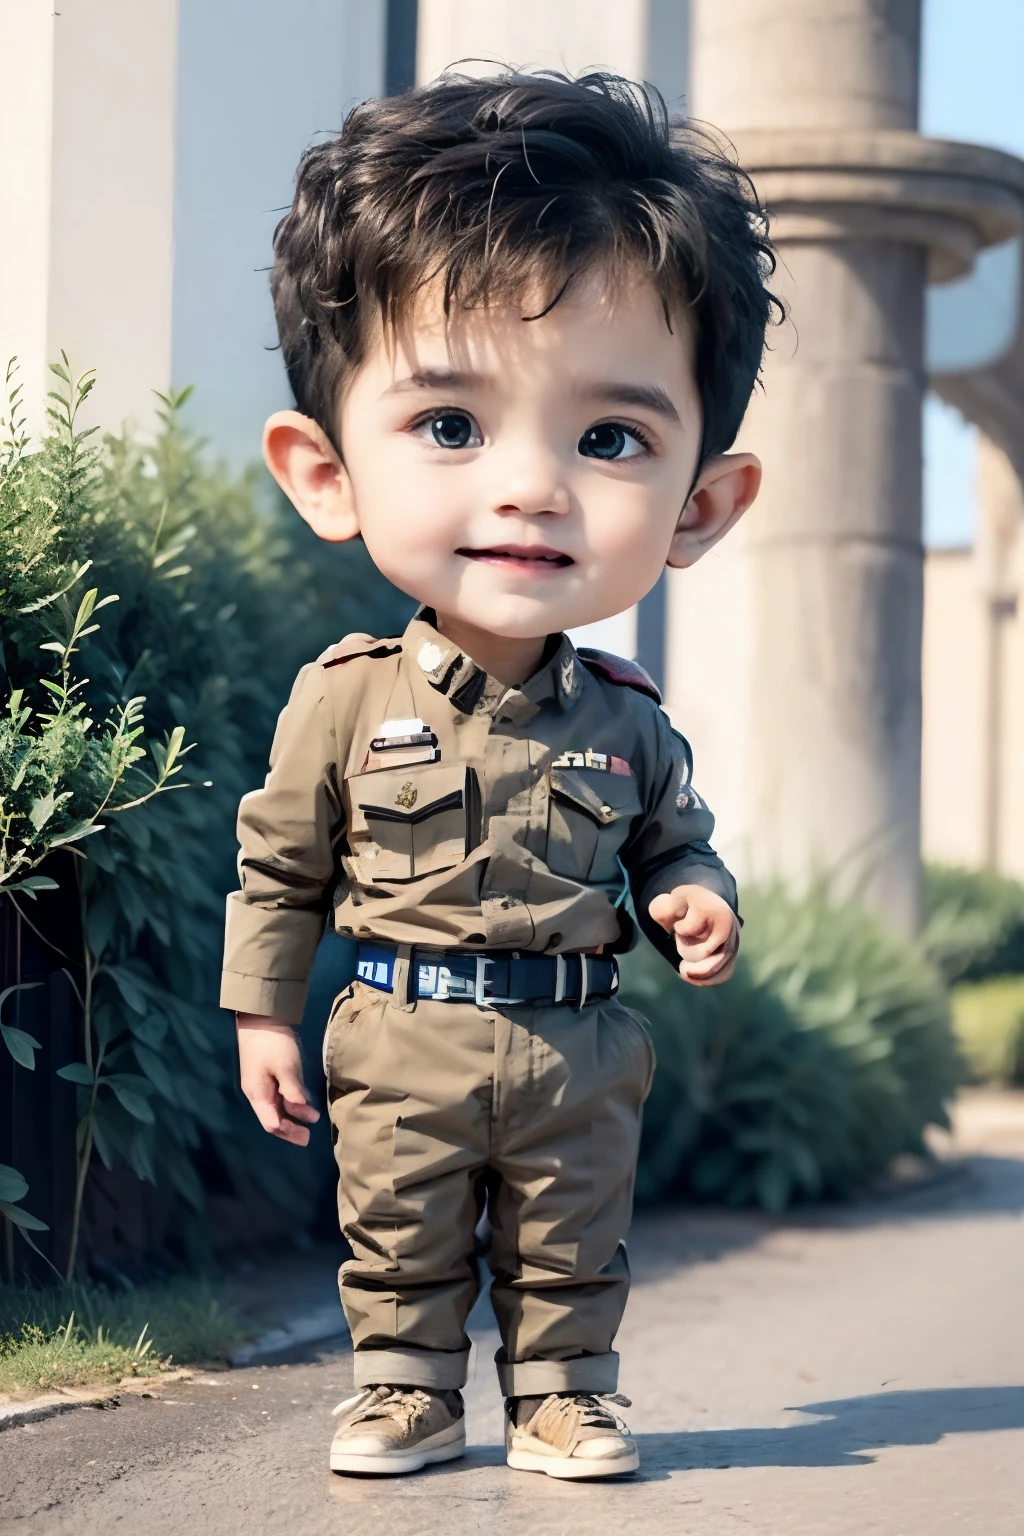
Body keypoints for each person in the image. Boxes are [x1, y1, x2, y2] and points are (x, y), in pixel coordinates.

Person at [221, 69, 777, 1481]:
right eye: (451, 425)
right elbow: (281, 866)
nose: (532, 486)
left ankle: (563, 1396)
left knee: (571, 1227)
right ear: (325, 470)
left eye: (610, 439)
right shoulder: (343, 705)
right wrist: (263, 1020)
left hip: (575, 1041)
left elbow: (672, 842)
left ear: (700, 503)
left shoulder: (631, 720)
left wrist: (695, 898)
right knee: (395, 1219)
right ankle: (404, 1390)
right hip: (401, 1028)